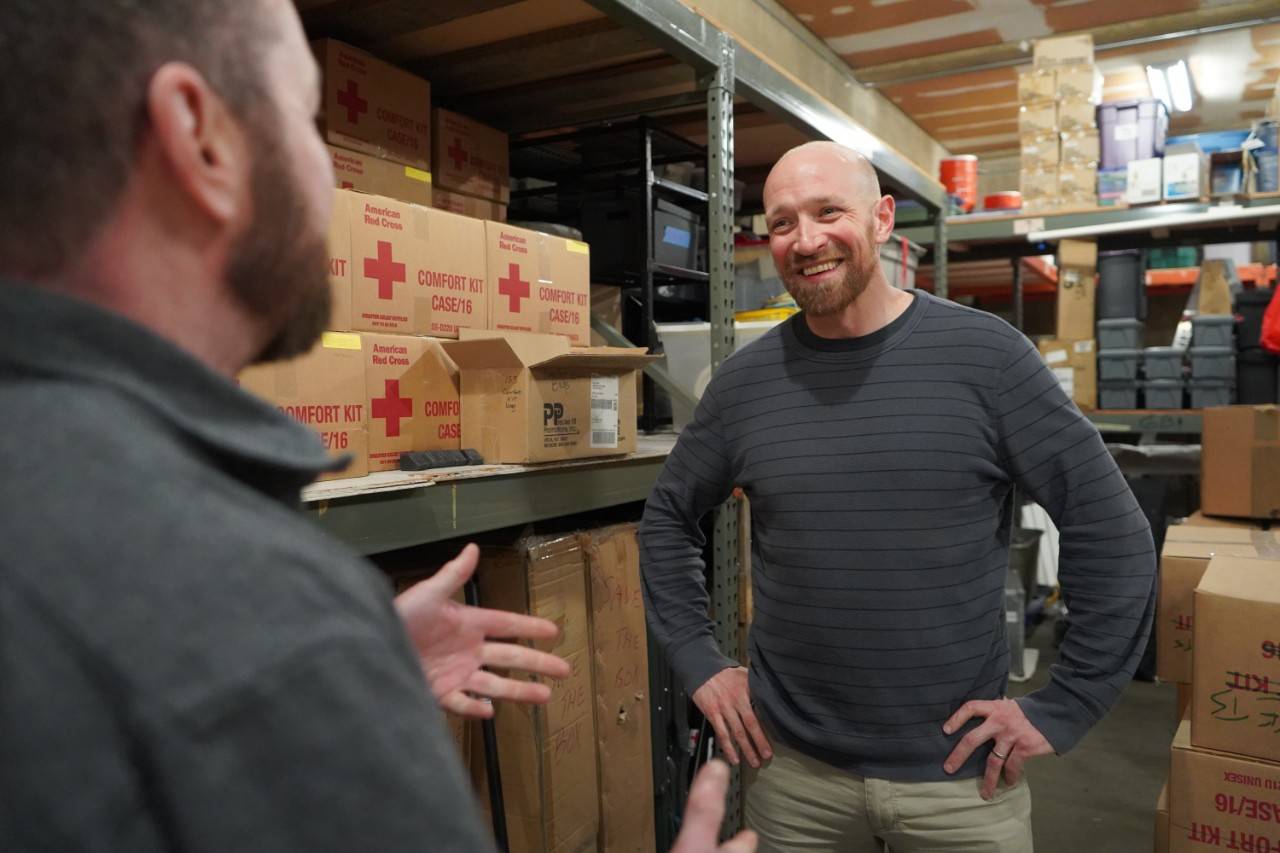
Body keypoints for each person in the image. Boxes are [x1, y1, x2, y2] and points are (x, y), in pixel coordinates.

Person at [0, 2, 755, 851]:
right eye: (302, 116)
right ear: (200, 138)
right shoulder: (241, 587)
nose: (329, 179)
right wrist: (307, 655)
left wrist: (350, 654)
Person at [639, 141, 1157, 852]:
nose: (806, 241)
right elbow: (667, 519)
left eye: (829, 212)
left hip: (960, 780)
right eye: (783, 222)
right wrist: (700, 662)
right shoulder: (744, 386)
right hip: (795, 778)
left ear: (882, 219)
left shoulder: (989, 360)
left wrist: (1067, 703)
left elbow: (1111, 530)